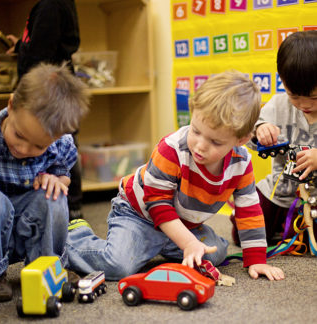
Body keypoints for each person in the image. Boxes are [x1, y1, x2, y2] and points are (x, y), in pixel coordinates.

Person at [66, 71, 284, 282]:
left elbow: (249, 210)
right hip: (140, 215)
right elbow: (158, 204)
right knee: (119, 265)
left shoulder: (242, 162)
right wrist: (188, 242)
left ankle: (164, 242)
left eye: (215, 142)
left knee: (215, 255)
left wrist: (256, 260)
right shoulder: (171, 149)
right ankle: (74, 238)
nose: (200, 146)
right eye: (196, 131)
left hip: (182, 222)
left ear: (241, 139)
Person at [0, 63, 89, 302]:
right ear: (12, 105)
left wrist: (56, 180)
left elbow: (63, 175)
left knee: (54, 196)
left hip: (31, 225)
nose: (23, 149)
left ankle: (48, 267)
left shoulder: (60, 144)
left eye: (38, 147)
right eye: (19, 135)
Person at [231, 30, 317, 246]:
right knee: (244, 236)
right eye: (294, 96)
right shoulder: (279, 105)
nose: (305, 105)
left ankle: (294, 231)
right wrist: (260, 130)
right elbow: (247, 136)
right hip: (279, 190)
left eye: (314, 98)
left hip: (315, 198)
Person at [6, 0, 84, 220]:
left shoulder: (52, 4)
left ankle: (72, 209)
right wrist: (22, 44)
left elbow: (40, 53)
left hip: (47, 93)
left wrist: (24, 50)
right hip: (46, 89)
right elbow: (41, 41)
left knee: (62, 148)